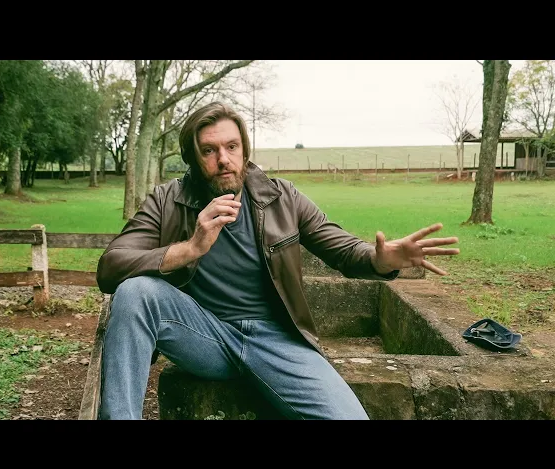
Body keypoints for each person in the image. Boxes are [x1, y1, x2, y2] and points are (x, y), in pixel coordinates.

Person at [95, 101, 460, 420]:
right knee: (135, 292)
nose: (223, 160)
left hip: (277, 341)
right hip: (206, 336)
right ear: (192, 157)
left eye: (232, 146)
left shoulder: (282, 197)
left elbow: (345, 250)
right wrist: (190, 248)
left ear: (244, 149)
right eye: (208, 151)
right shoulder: (166, 200)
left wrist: (382, 260)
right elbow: (111, 267)